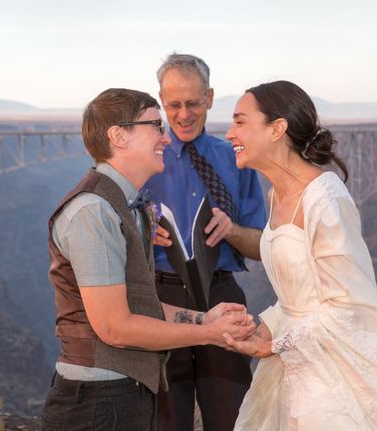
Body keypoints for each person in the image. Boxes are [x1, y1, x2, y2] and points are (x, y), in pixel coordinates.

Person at [41, 88, 254, 431]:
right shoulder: (93, 212)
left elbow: (140, 306)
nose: (166, 137)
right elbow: (115, 327)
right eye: (155, 125)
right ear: (119, 136)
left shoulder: (123, 207)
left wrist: (204, 319)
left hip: (125, 395)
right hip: (97, 404)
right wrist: (211, 334)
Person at [222, 80, 377, 430]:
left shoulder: (325, 199)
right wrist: (264, 329)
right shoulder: (276, 196)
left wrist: (275, 345)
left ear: (277, 129)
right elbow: (297, 298)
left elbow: (348, 305)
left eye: (240, 122)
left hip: (332, 383)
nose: (229, 133)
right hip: (296, 369)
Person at [144, 53, 267, 431]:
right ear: (162, 102)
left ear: (210, 98)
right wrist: (140, 229)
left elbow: (262, 244)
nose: (183, 114)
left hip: (223, 295)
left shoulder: (235, 157)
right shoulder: (143, 156)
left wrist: (232, 230)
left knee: (232, 418)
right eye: (174, 105)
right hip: (160, 301)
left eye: (193, 103)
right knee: (167, 421)